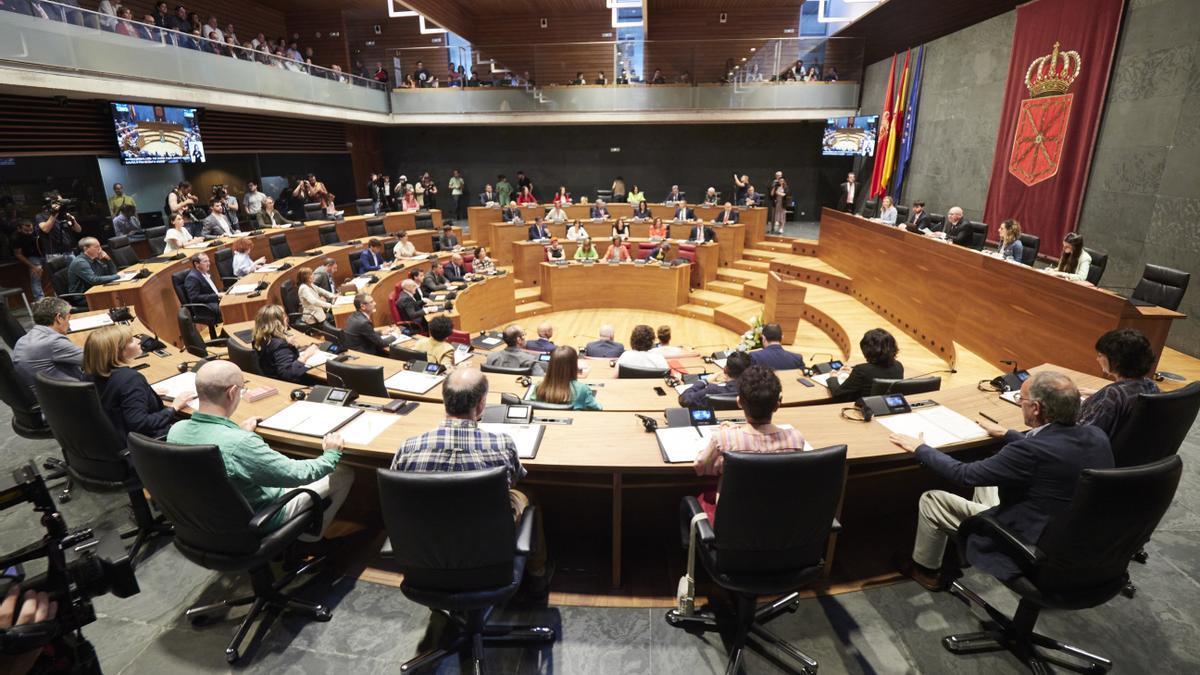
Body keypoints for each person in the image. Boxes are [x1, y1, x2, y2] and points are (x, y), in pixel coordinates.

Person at [890, 371, 1113, 590]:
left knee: (932, 500)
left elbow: (963, 475)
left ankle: (926, 571)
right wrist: (1008, 434)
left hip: (1031, 545)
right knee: (988, 473)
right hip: (1076, 543)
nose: (1019, 404)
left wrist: (921, 449)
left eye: (1021, 399)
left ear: (1036, 408)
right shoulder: (1097, 436)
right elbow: (1055, 449)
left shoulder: (1029, 451)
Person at [390, 368, 551, 593]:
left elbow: (400, 500)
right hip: (488, 551)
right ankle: (537, 575)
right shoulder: (502, 444)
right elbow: (512, 482)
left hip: (428, 554)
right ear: (482, 404)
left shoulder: (408, 447)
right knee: (526, 496)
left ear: (444, 400)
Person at [168, 360, 353, 542]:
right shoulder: (240, 444)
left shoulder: (176, 430)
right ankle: (310, 537)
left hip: (208, 519)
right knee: (344, 472)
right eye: (242, 389)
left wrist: (238, 434)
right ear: (232, 393)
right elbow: (299, 474)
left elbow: (217, 454)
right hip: (259, 517)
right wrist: (331, 453)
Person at [693, 366, 806, 518]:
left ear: (739, 402)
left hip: (734, 522)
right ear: (777, 406)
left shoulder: (724, 439)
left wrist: (730, 434)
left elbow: (700, 467)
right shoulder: (796, 439)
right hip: (779, 520)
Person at [85, 324, 192, 439]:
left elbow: (116, 399)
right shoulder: (131, 380)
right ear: (118, 350)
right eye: (131, 340)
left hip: (109, 442)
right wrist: (174, 408)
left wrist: (144, 393)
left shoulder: (89, 375)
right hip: (145, 446)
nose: (138, 341)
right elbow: (140, 424)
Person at [1077, 329, 1160, 437]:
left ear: (1116, 360)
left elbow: (1081, 435)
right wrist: (1098, 394)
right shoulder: (1150, 385)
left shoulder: (1111, 395)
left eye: (1100, 355)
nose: (1097, 359)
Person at [12, 297, 83, 390]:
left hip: (45, 396)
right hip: (68, 395)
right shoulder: (53, 341)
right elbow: (93, 360)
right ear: (59, 318)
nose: (69, 324)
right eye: (68, 318)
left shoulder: (22, 339)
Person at [827, 328, 904, 402]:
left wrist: (833, 378)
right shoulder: (899, 366)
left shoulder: (861, 370)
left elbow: (838, 395)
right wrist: (854, 375)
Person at [252, 304, 319, 383]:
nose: (286, 319)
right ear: (278, 322)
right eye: (284, 317)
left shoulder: (259, 339)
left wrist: (285, 341)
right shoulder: (280, 345)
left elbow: (273, 351)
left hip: (271, 379)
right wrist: (306, 355)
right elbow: (287, 373)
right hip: (293, 384)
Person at [531, 346, 601, 410]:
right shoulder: (582, 389)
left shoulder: (539, 387)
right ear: (574, 365)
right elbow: (597, 408)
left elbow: (530, 404)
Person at [679, 351, 751, 409]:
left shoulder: (712, 390)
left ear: (725, 369)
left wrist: (704, 381)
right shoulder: (756, 390)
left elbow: (684, 400)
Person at [10, 220, 46, 300]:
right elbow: (18, 254)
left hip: (44, 253)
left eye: (31, 230)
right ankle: (40, 300)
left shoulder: (36, 230)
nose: (29, 232)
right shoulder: (15, 237)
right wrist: (33, 267)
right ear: (19, 229)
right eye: (26, 231)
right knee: (36, 277)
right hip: (32, 257)